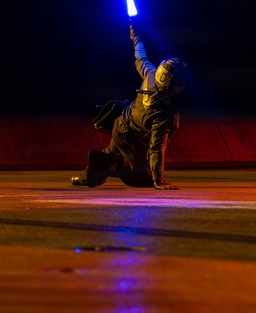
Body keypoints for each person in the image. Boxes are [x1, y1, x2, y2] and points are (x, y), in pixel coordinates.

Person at [71, 25, 189, 190]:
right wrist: (158, 180)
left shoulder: (150, 76)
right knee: (140, 177)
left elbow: (141, 57)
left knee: (110, 153)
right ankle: (116, 167)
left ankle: (84, 178)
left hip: (120, 128)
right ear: (174, 86)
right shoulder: (164, 116)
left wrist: (136, 38)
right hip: (131, 142)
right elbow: (156, 149)